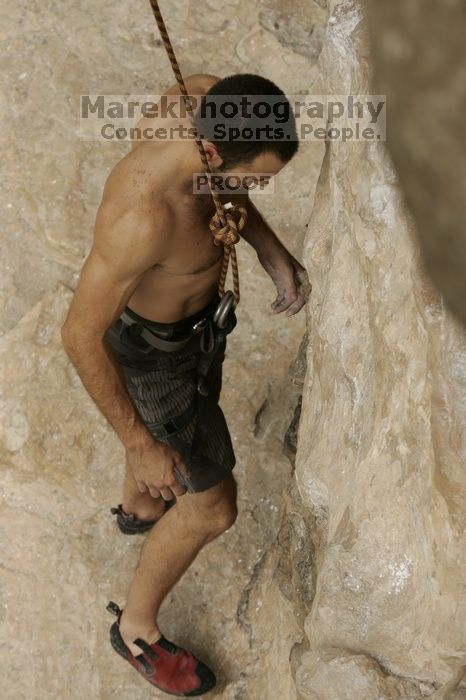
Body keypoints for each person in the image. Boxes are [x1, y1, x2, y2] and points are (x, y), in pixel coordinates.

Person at [60, 72, 309, 696]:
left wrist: (269, 250)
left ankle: (140, 506)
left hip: (191, 335)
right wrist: (140, 443)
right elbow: (78, 335)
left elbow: (227, 196)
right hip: (153, 362)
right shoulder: (142, 217)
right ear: (212, 153)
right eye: (253, 179)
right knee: (211, 508)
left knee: (168, 477)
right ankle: (137, 628)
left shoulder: (198, 98)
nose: (255, 193)